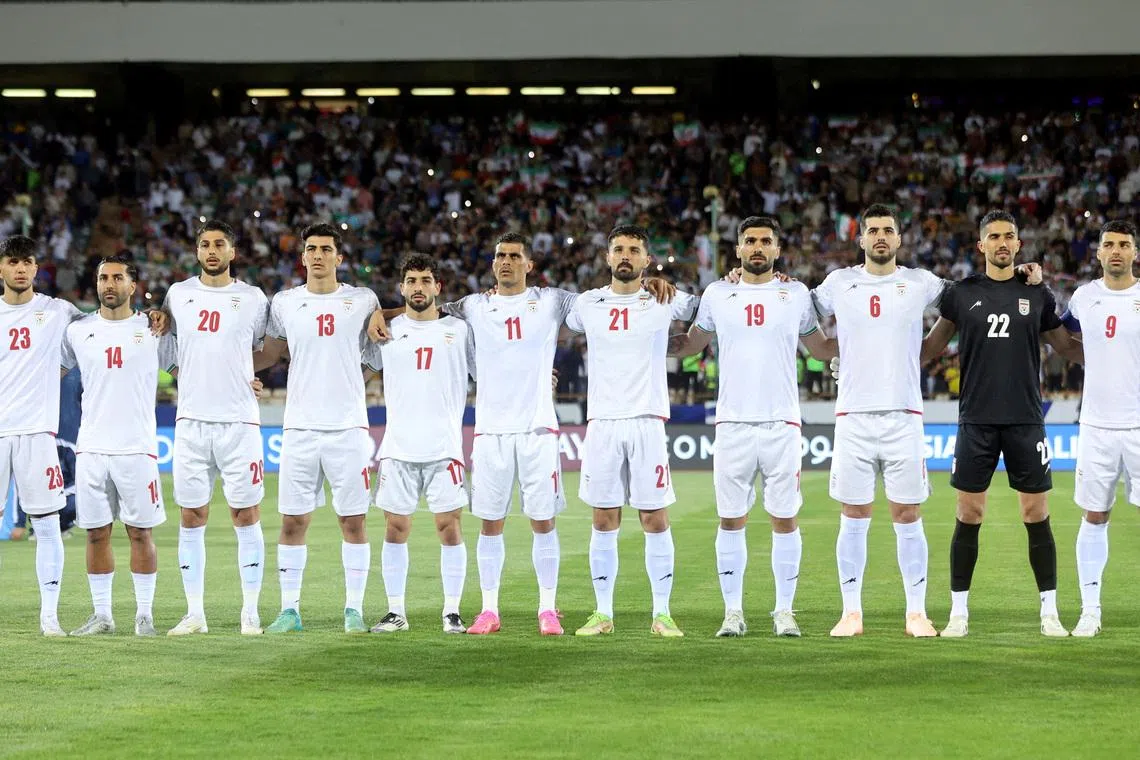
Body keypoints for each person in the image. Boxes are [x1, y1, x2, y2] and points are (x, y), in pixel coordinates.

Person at [669, 216, 837, 637]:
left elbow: (818, 349)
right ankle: (733, 612)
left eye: (765, 241)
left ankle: (784, 611)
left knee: (785, 519)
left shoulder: (794, 293)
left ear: (777, 250)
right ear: (738, 250)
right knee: (731, 519)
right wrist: (644, 317)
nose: (758, 247)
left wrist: (865, 347)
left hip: (782, 422)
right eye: (750, 241)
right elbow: (690, 344)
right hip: (732, 424)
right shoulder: (717, 294)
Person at [922, 209, 1084, 638]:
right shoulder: (961, 293)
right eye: (993, 236)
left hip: (1026, 418)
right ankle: (959, 613)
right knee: (968, 513)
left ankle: (1049, 612)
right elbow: (929, 350)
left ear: (1018, 243)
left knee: (1036, 513)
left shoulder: (1039, 294)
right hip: (975, 418)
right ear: (981, 245)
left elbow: (1067, 346)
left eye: (1009, 236)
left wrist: (1117, 354)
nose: (1002, 243)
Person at [811, 204, 948, 638]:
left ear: (900, 238)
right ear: (861, 239)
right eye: (873, 231)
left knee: (908, 513)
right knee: (853, 514)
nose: (881, 237)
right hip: (852, 415)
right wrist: (831, 353)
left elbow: (967, 303)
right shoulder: (839, 283)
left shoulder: (920, 282)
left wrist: (927, 349)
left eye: (888, 230)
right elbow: (796, 311)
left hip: (903, 415)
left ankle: (916, 613)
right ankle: (851, 613)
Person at [565, 224, 699, 638]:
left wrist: (738, 279)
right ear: (607, 258)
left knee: (654, 517)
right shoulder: (586, 304)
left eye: (634, 250)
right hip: (602, 422)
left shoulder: (665, 298)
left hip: (647, 421)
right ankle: (602, 613)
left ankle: (662, 614)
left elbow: (713, 308)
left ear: (646, 259)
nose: (625, 255)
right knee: (603, 518)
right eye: (619, 249)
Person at [254, 223, 381, 634]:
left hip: (347, 429)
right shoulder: (285, 302)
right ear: (303, 256)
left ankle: (354, 611)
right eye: (311, 248)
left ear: (339, 258)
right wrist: (232, 371)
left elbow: (380, 351)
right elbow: (270, 352)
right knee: (293, 522)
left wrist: (353, 382)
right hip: (300, 429)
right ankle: (289, 611)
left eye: (326, 249)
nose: (319, 255)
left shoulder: (362, 300)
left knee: (354, 522)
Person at [163, 220, 270, 637]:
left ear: (232, 252)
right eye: (205, 244)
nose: (211, 250)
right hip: (191, 422)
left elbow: (267, 348)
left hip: (239, 421)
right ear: (197, 252)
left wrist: (248, 374)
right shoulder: (178, 295)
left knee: (245, 513)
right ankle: (194, 613)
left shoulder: (253, 299)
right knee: (191, 514)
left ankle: (250, 612)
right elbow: (168, 348)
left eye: (219, 244)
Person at [63, 256, 168, 637]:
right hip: (91, 448)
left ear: (132, 285)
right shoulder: (79, 331)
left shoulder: (154, 329)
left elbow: (191, 365)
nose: (109, 284)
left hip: (137, 449)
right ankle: (103, 615)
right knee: (95, 532)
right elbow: (50, 371)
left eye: (117, 278)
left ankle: (144, 615)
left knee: (140, 533)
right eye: (103, 278)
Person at [369, 254, 473, 635]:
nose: (418, 287)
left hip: (445, 447)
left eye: (425, 280)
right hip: (397, 447)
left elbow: (490, 368)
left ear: (437, 287)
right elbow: (356, 370)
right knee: (395, 528)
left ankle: (452, 611)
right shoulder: (386, 330)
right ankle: (395, 611)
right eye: (411, 280)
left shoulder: (460, 331)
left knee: (449, 527)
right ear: (402, 288)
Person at [1060, 219, 1140, 638]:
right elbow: (1063, 336)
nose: (1115, 251)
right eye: (1108, 244)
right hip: (1096, 425)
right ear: (1098, 252)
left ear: (1134, 253)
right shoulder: (1084, 297)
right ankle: (1090, 610)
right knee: (1094, 515)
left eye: (1124, 245)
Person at [0, 234, 79, 636]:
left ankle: (49, 615)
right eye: (12, 261)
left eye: (27, 262)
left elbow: (102, 333)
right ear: (1, 268)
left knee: (47, 525)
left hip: (37, 435)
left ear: (36, 267)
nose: (20, 268)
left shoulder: (57, 311)